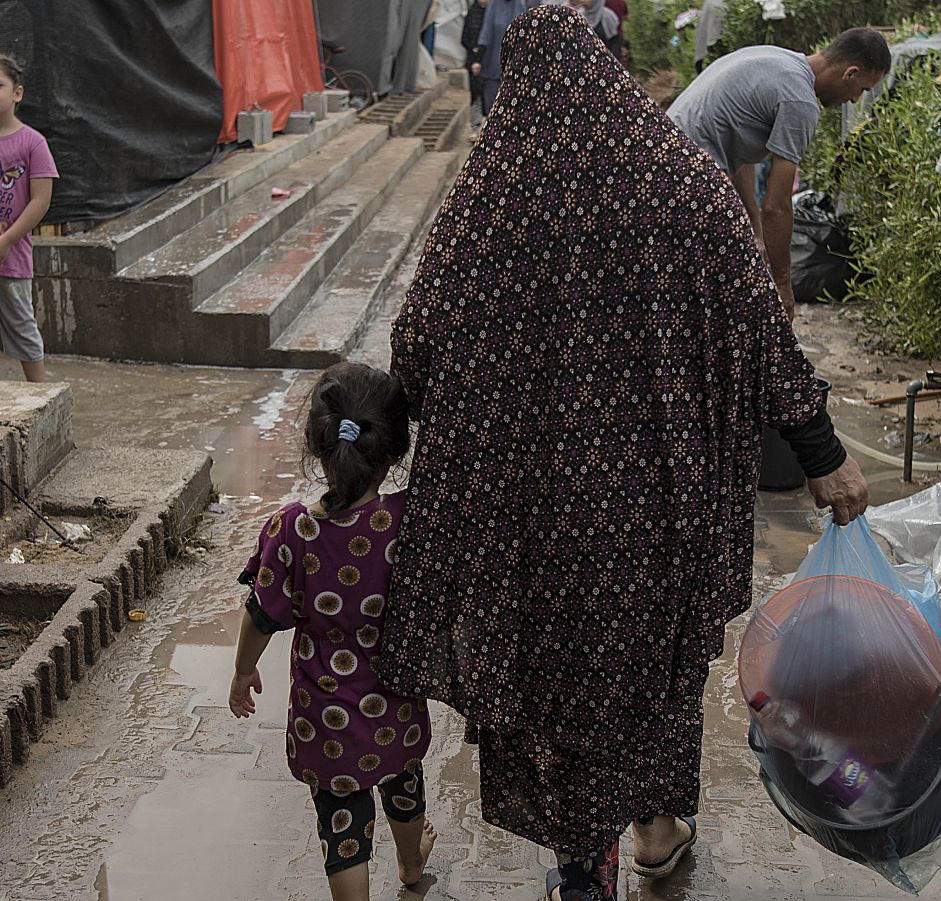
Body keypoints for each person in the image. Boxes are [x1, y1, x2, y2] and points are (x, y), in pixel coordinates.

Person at [379, 8, 869, 901]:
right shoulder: (681, 179)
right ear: (609, 73)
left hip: (530, 521)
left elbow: (416, 346)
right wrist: (823, 453)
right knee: (648, 679)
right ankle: (649, 832)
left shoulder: (489, 193)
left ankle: (582, 867)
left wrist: (367, 459)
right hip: (658, 510)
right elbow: (762, 332)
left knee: (552, 689)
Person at [228, 362, 438, 901]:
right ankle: (412, 868)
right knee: (404, 783)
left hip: (325, 720)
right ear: (392, 451)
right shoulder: (408, 520)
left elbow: (261, 616)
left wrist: (242, 670)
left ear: (317, 446)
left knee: (342, 823)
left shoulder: (292, 530)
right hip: (396, 705)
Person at [667, 29, 889, 319]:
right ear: (850, 73)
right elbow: (777, 206)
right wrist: (783, 285)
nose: (855, 100)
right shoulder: (801, 101)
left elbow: (739, 158)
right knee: (724, 293)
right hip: (683, 178)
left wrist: (755, 231)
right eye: (862, 89)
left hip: (665, 161)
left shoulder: (775, 58)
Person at [0, 55, 55, 383]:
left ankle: (41, 397)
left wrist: (7, 239)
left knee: (22, 326)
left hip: (13, 258)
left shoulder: (33, 143)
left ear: (17, 93)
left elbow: (41, 201)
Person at [471, 0, 526, 113]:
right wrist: (477, 59)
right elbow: (486, 33)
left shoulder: (519, 7)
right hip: (492, 66)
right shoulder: (493, 6)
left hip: (514, 67)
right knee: (492, 106)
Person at [463, 0, 489, 126]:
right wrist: (473, 48)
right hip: (473, 60)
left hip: (489, 60)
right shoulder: (472, 13)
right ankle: (475, 126)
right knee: (475, 94)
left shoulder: (492, 14)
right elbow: (464, 38)